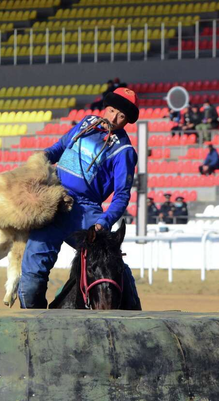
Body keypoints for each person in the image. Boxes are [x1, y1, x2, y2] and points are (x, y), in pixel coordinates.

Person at [18, 87, 141, 309]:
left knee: (110, 259)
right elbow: (58, 149)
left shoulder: (124, 151)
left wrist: (103, 222)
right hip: (53, 202)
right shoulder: (86, 123)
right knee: (30, 280)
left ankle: (134, 311)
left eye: (121, 116)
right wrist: (39, 159)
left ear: (127, 121)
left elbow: (122, 196)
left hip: (86, 212)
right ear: (106, 107)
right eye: (112, 110)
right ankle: (32, 325)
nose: (113, 118)